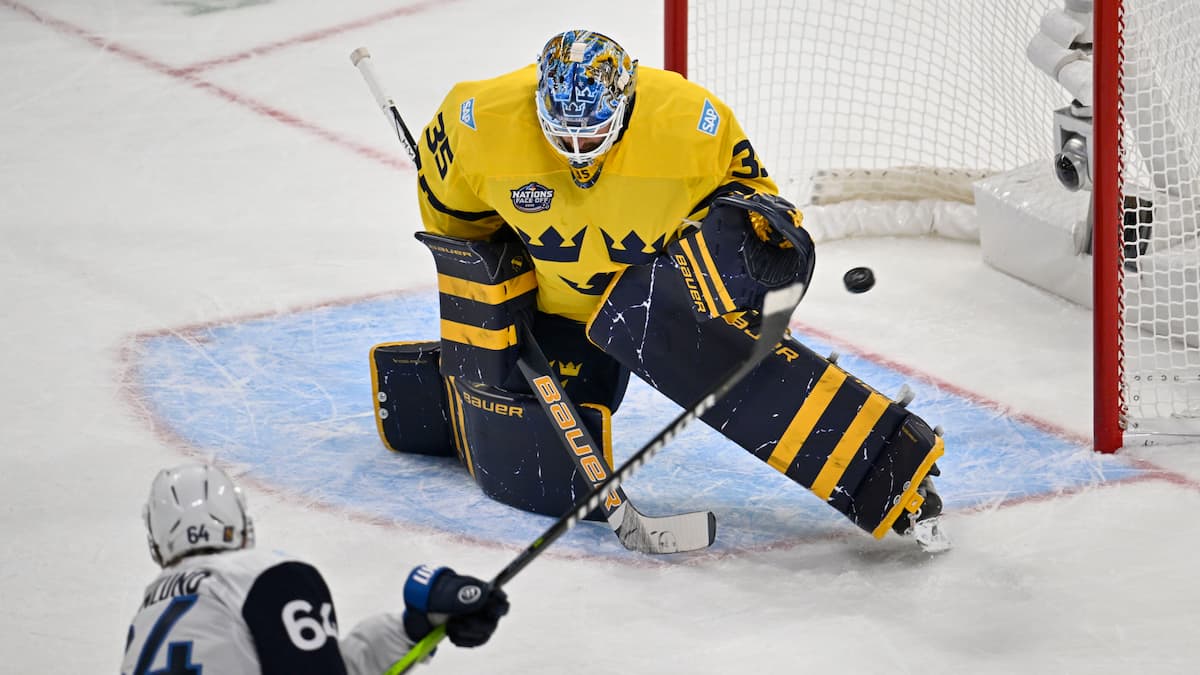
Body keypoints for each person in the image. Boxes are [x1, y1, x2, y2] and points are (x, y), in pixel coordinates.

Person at [373, 29, 946, 548]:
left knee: (737, 372)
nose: (577, 153)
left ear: (625, 107)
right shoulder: (476, 122)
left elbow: (755, 209)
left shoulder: (692, 124)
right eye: (561, 135)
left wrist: (754, 260)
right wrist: (501, 299)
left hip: (655, 292)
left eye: (592, 134)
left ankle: (885, 471)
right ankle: (452, 402)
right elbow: (461, 242)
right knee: (546, 452)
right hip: (551, 304)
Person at [120, 463, 509, 674]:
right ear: (239, 524)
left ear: (157, 542)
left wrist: (413, 627)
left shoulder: (149, 613)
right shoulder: (268, 576)